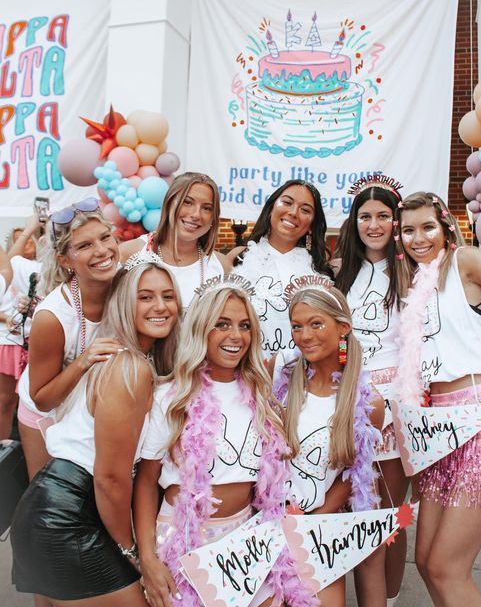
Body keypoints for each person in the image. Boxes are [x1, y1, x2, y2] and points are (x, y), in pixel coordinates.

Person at [10, 259, 181, 606]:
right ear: (123, 304)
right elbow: (110, 478)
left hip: (55, 508)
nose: (160, 306)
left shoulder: (122, 357)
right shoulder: (130, 368)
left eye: (168, 296)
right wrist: (133, 554)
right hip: (68, 518)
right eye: (145, 297)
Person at [133, 277, 311, 607]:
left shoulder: (261, 395)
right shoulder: (170, 398)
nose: (236, 336)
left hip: (247, 539)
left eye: (244, 326)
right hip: (184, 538)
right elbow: (145, 482)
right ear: (202, 329)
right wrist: (147, 557)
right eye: (222, 324)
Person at [394, 191, 481, 606]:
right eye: (408, 230)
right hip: (438, 432)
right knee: (426, 560)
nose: (418, 237)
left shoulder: (465, 261)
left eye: (427, 227)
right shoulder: (418, 284)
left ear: (445, 227)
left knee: (447, 566)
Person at [272, 277, 383, 606]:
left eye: (316, 324)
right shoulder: (282, 381)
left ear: (343, 327)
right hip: (267, 523)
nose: (304, 336)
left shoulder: (366, 403)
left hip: (318, 529)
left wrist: (312, 519)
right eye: (296, 326)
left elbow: (355, 476)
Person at [333, 176, 407, 606]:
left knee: (387, 517)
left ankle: (389, 599)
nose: (374, 224)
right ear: (354, 221)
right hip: (346, 404)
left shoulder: (411, 271)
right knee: (349, 511)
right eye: (365, 216)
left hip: (395, 406)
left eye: (383, 216)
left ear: (396, 221)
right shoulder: (340, 271)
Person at [17, 198, 121, 488]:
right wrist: (84, 361)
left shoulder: (126, 282)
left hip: (88, 412)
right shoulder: (53, 317)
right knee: (49, 499)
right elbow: (42, 397)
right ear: (65, 260)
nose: (101, 251)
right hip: (45, 415)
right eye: (85, 246)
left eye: (105, 238)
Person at [228, 180, 332, 360]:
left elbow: (340, 335)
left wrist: (342, 365)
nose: (293, 213)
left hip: (305, 377)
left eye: (305, 210)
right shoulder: (237, 258)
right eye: (287, 202)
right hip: (248, 373)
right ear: (270, 209)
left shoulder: (322, 270)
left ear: (311, 225)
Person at [120, 172, 229, 308]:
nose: (196, 214)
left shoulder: (222, 266)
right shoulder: (129, 253)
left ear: (213, 218)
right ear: (169, 203)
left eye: (206, 208)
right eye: (187, 202)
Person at [0, 219, 41, 439]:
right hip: (7, 342)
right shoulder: (10, 267)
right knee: (5, 402)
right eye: (17, 241)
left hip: (33, 343)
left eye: (26, 240)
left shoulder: (44, 267)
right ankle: (4, 446)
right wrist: (6, 318)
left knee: (30, 403)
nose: (24, 244)